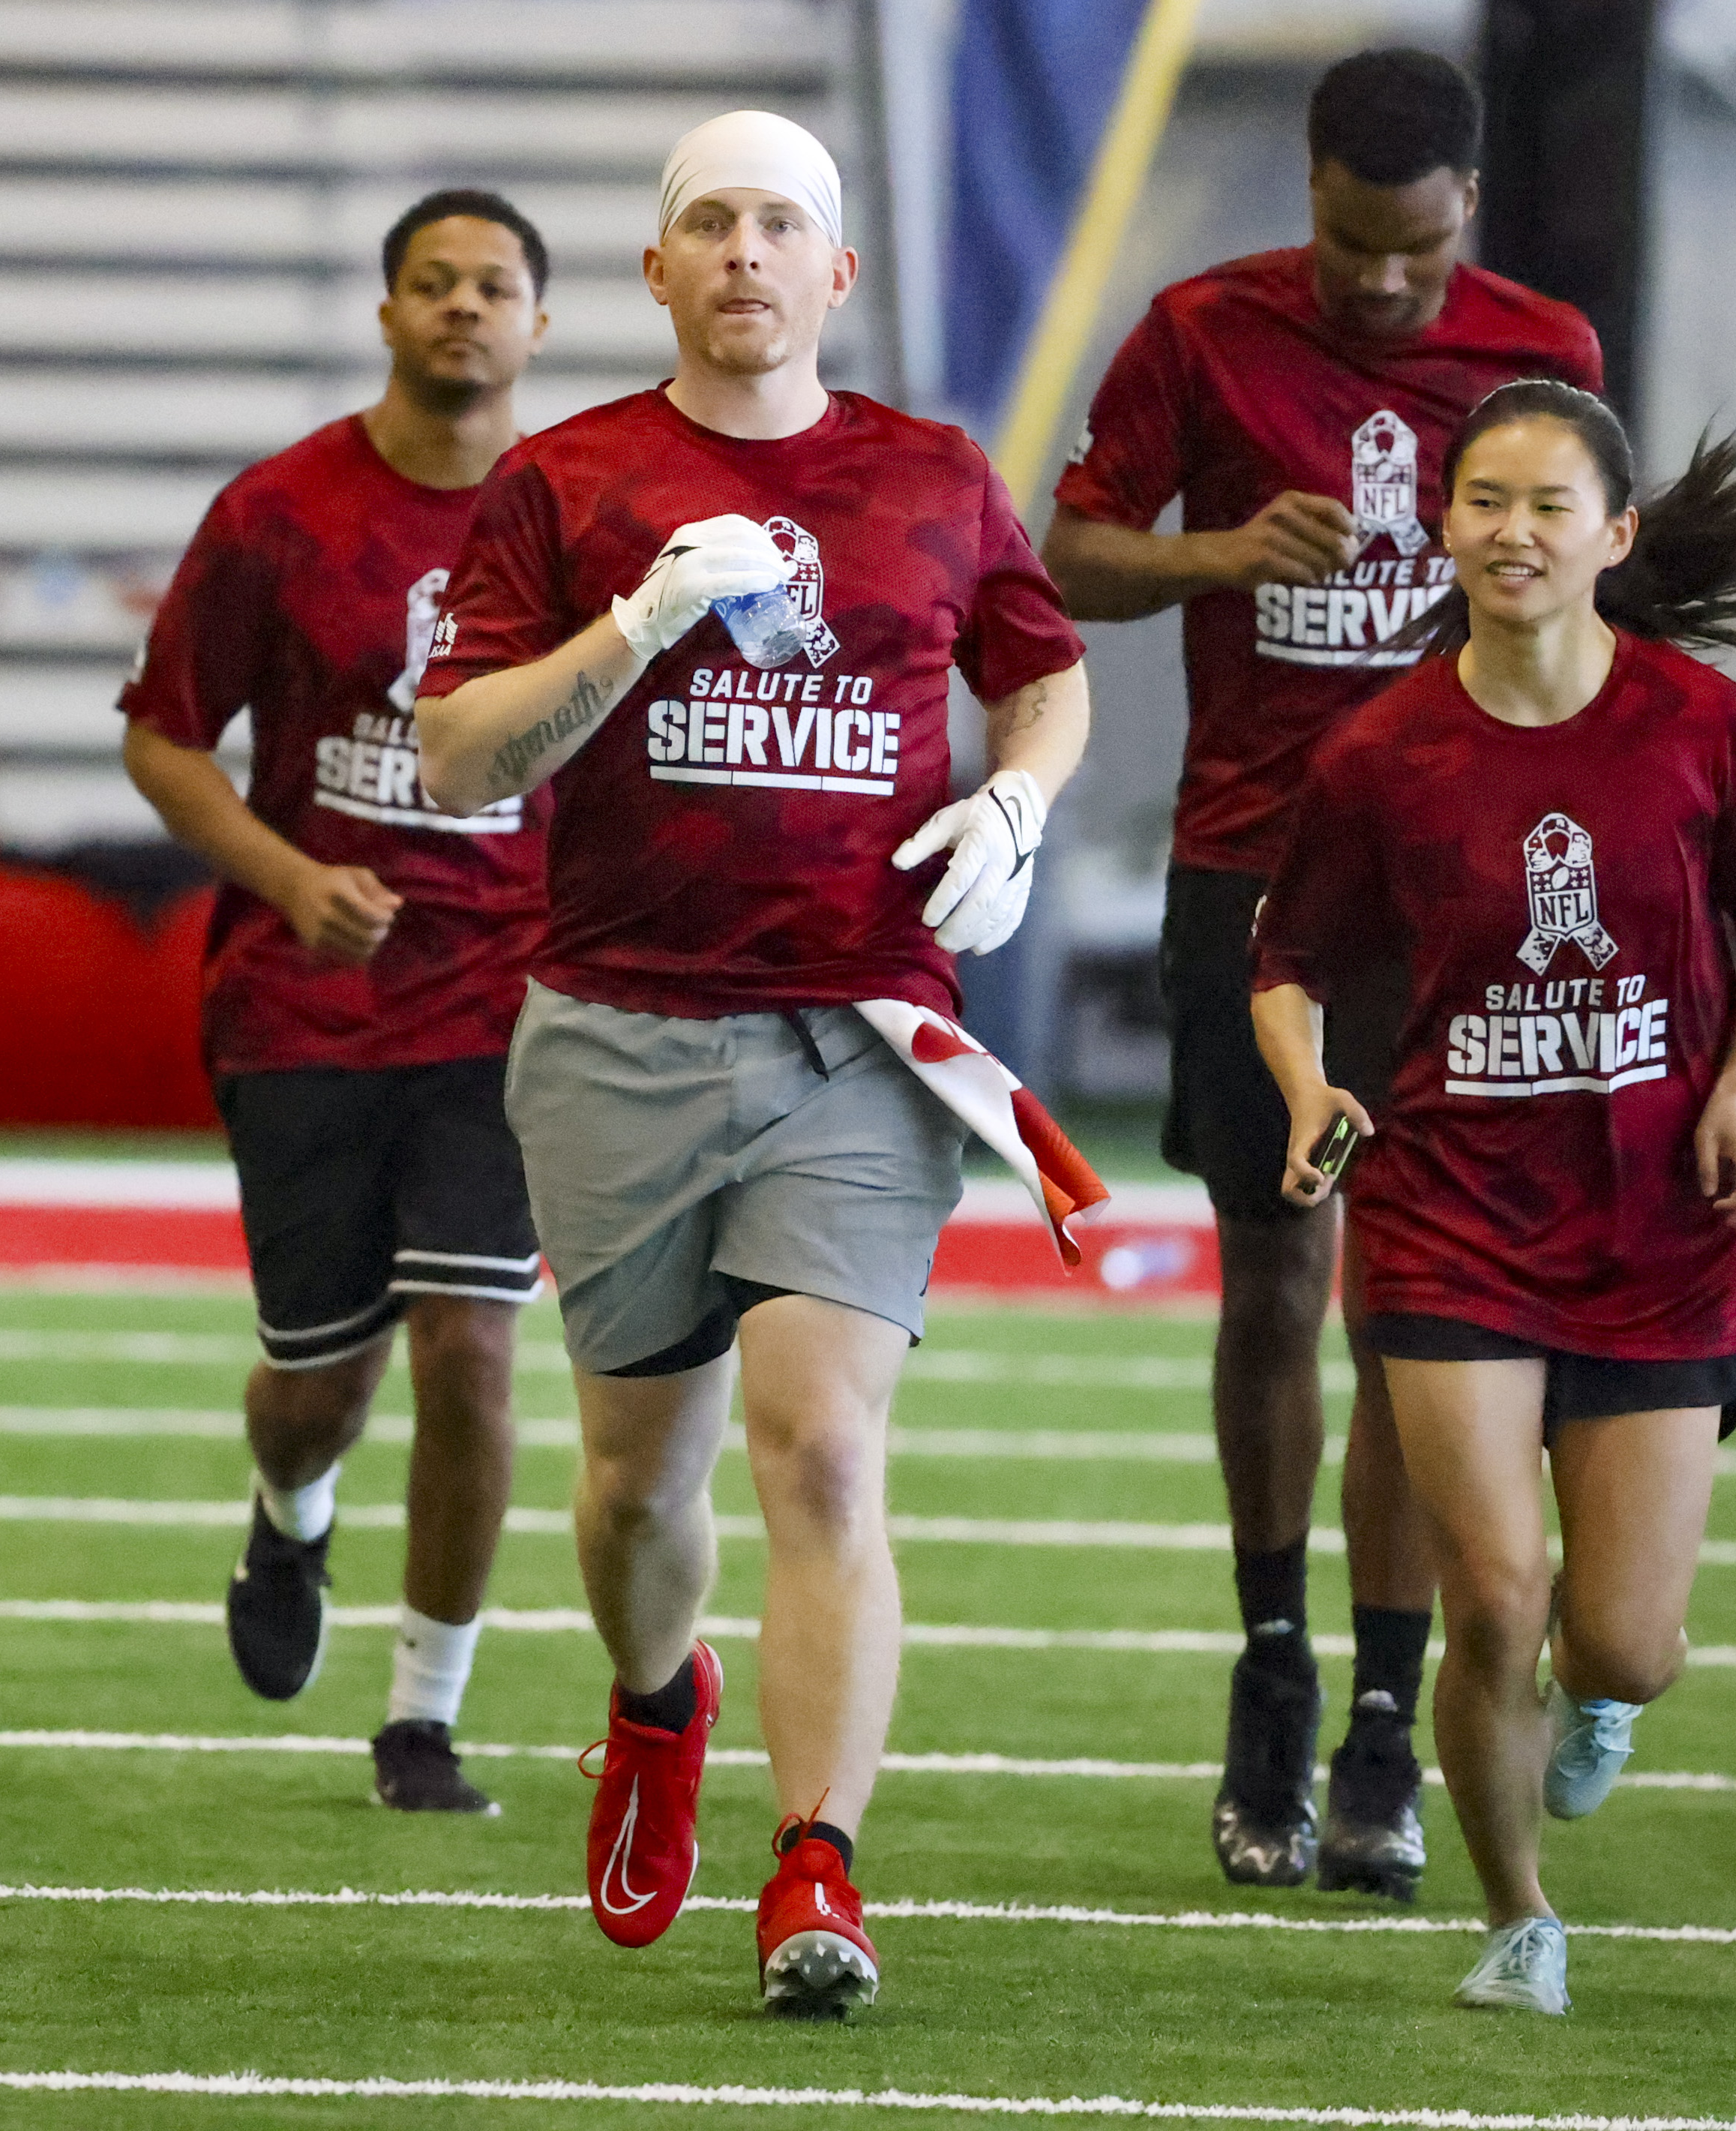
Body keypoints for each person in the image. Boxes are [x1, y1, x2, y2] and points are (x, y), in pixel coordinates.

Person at [413, 111, 1091, 2015]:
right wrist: (633, 626)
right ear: (654, 271)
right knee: (640, 1492)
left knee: (825, 1446)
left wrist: (1023, 801)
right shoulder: (569, 480)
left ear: (836, 274)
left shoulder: (934, 474)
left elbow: (1044, 664)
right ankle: (655, 1699)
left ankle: (818, 1868)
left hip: (858, 1035)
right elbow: (460, 763)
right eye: (706, 222)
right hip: (620, 1024)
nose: (742, 252)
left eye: (779, 223)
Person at [1039, 47, 1602, 1900]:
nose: (1381, 289)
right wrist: (1216, 550)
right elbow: (1066, 558)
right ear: (1308, 191)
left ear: (1472, 214)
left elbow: (1599, 592)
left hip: (1460, 898)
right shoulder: (1202, 331)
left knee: (1416, 1314)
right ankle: (1271, 1669)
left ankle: (1384, 1717)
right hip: (1255, 876)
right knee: (1277, 1284)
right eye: (1353, 247)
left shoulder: (1547, 355)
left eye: (1418, 255)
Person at [1249, 378, 1736, 2013]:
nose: (1513, 530)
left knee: (1620, 1638)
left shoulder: (1703, 726)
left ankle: (1609, 1691)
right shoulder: (1379, 749)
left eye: (1549, 504)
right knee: (1492, 1590)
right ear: (1444, 522)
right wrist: (1311, 1087)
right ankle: (1518, 1913)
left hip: (1657, 1225)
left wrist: (1735, 1093)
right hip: (1447, 1214)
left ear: (1615, 534)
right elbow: (1285, 961)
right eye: (1485, 499)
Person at [119, 190, 557, 1814]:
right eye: (431, 283)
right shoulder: (282, 511)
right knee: (321, 1382)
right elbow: (162, 735)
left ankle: (423, 1715)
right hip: (301, 1006)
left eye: (493, 285)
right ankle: (288, 1511)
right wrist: (291, 877)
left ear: (538, 322)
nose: (462, 308)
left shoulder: (584, 515)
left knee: (473, 1348)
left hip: (506, 1003)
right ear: (386, 313)